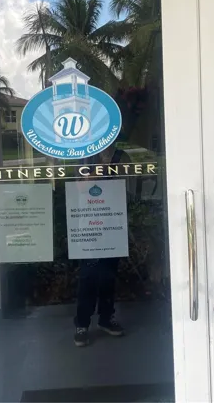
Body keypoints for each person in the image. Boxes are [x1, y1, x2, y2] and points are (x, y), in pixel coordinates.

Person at [73, 145, 130, 347]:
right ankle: (82, 324)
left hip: (113, 222)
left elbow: (128, 187)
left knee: (109, 275)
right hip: (89, 224)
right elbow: (81, 187)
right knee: (88, 277)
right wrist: (102, 167)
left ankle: (106, 318)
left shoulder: (122, 156)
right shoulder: (85, 157)